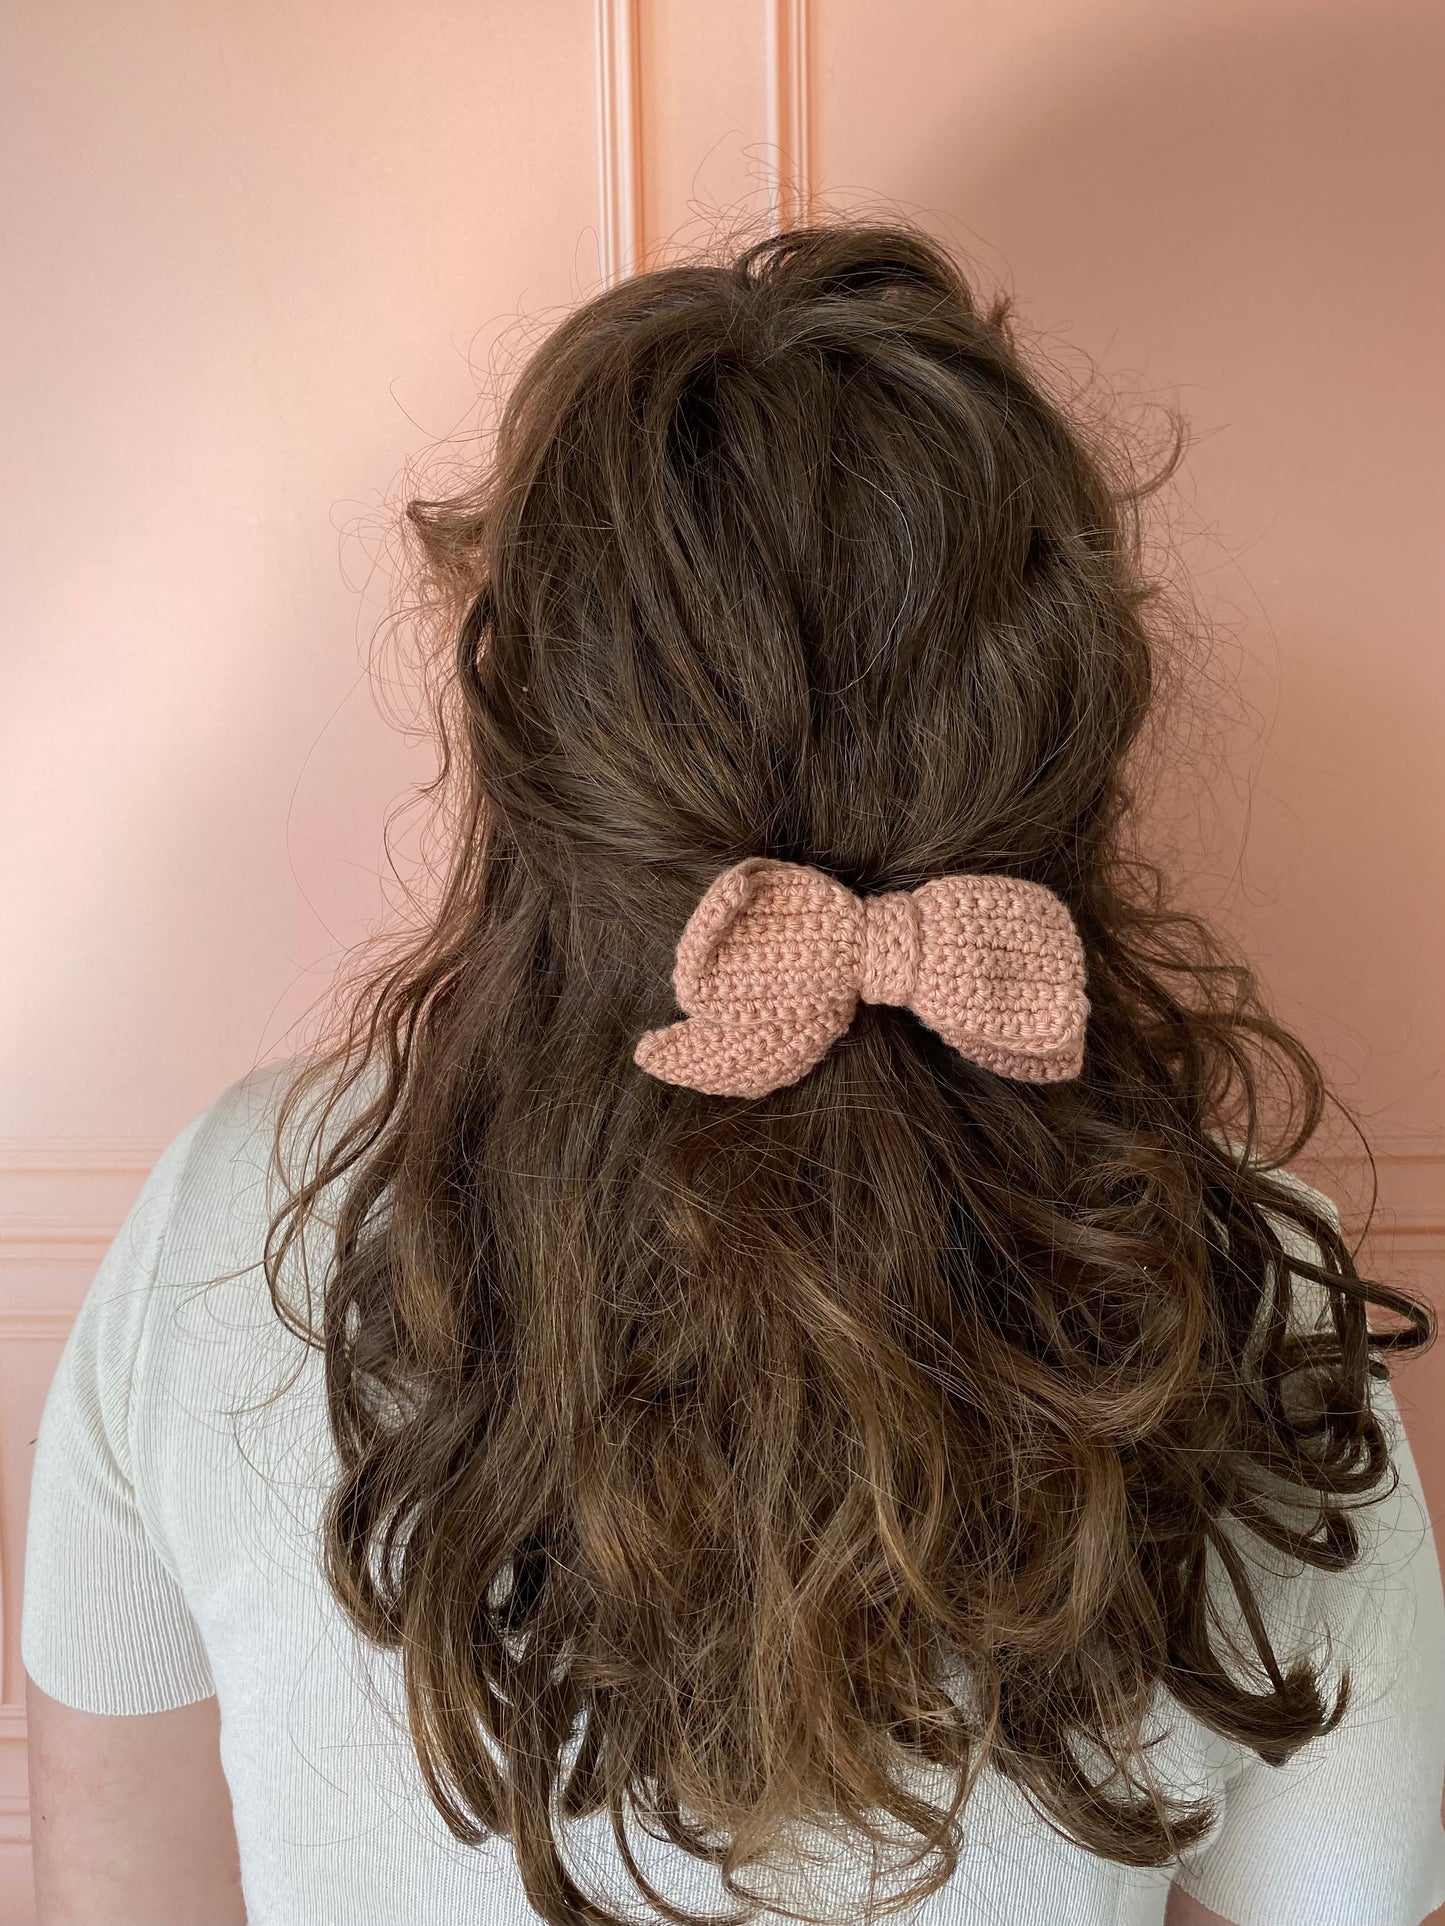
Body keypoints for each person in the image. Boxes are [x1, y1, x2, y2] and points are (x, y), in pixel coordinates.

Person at [21, 220, 1445, 1926]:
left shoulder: (229, 1209)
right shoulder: (1235, 1291)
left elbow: (127, 1892)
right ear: (1067, 728)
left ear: (532, 731)